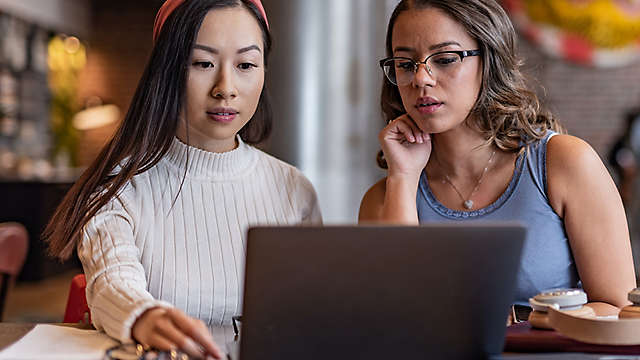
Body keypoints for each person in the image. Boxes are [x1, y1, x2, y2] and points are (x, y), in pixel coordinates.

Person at [44, 0, 321, 358]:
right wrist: (144, 316)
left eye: (246, 65)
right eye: (203, 63)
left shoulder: (294, 191)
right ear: (167, 70)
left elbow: (309, 312)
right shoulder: (120, 187)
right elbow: (112, 282)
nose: (225, 87)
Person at [359, 0, 636, 318]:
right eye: (406, 64)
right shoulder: (383, 199)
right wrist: (403, 179)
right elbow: (394, 320)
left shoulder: (565, 163)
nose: (421, 78)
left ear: (489, 61)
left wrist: (516, 326)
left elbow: (620, 310)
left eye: (446, 59)